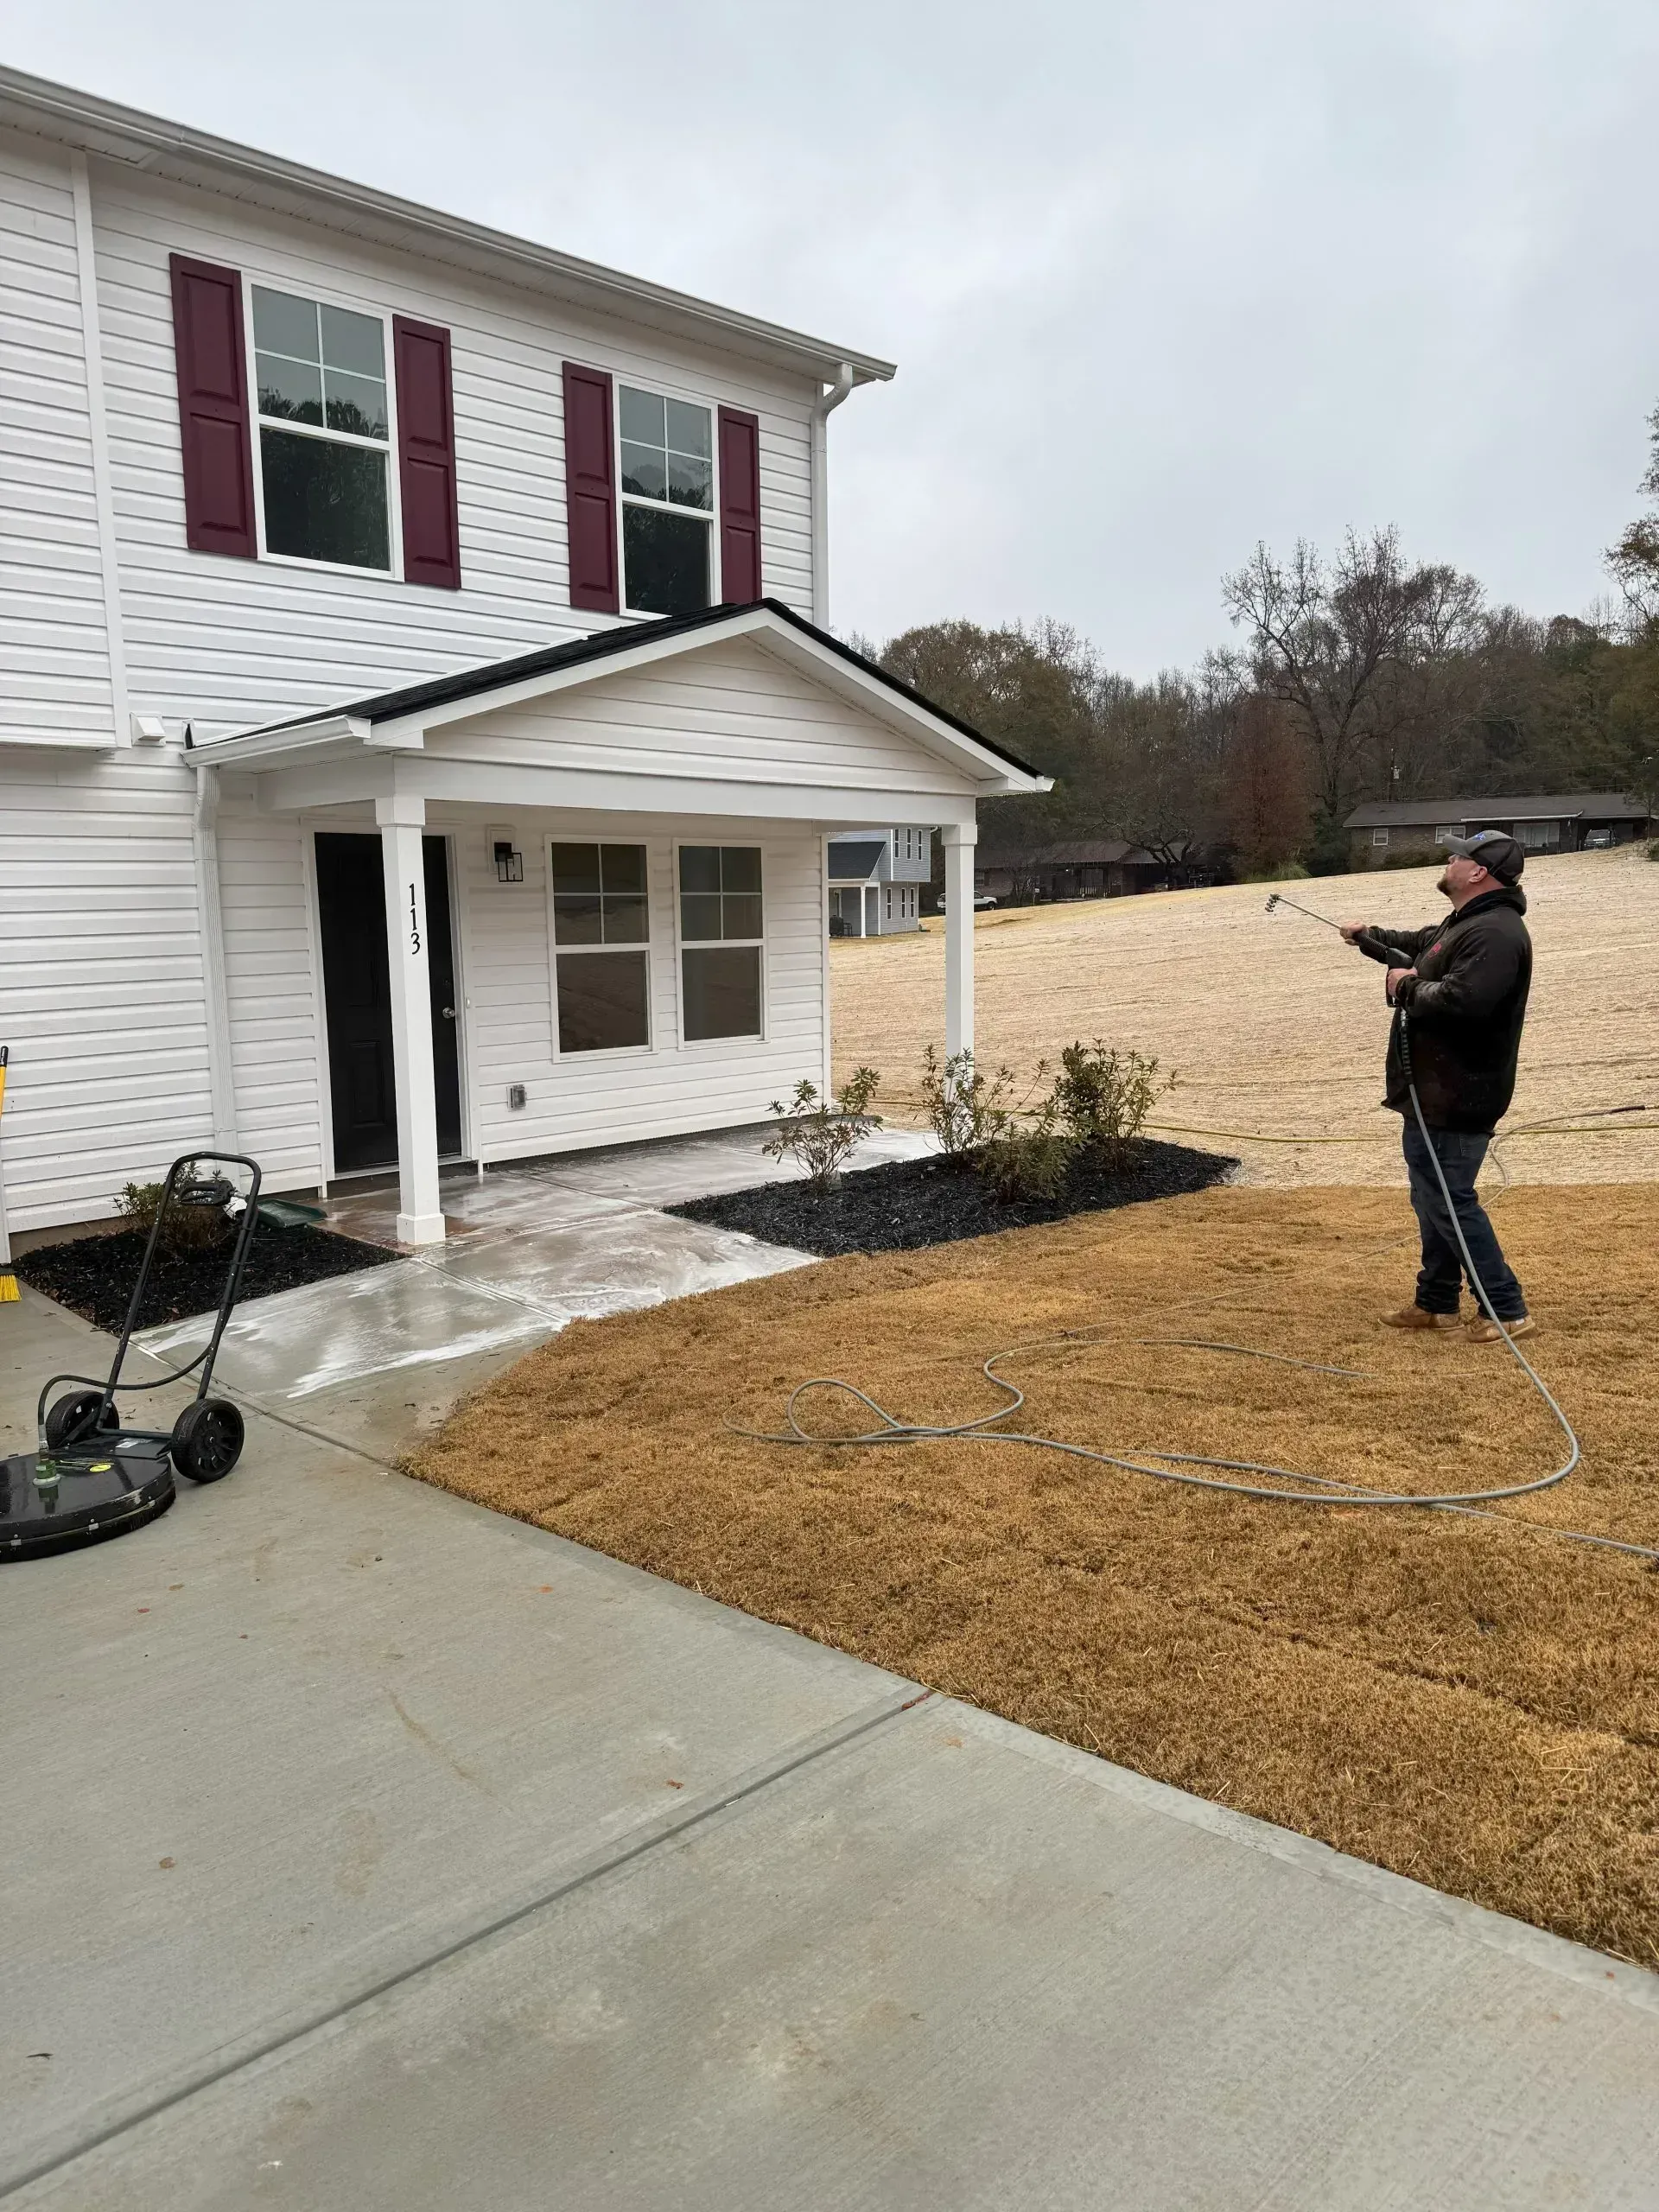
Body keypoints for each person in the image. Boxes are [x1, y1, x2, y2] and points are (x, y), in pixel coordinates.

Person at [1340, 829, 1535, 1342]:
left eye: (1458, 856)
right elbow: (1420, 947)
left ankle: (1505, 1309)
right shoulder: (1464, 923)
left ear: (1478, 872)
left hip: (1461, 1092)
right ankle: (1437, 1302)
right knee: (1431, 1199)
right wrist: (1368, 937)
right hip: (1433, 1092)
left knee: (1449, 1199)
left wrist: (1405, 987)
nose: (1448, 860)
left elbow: (1465, 1002)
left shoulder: (1496, 932)